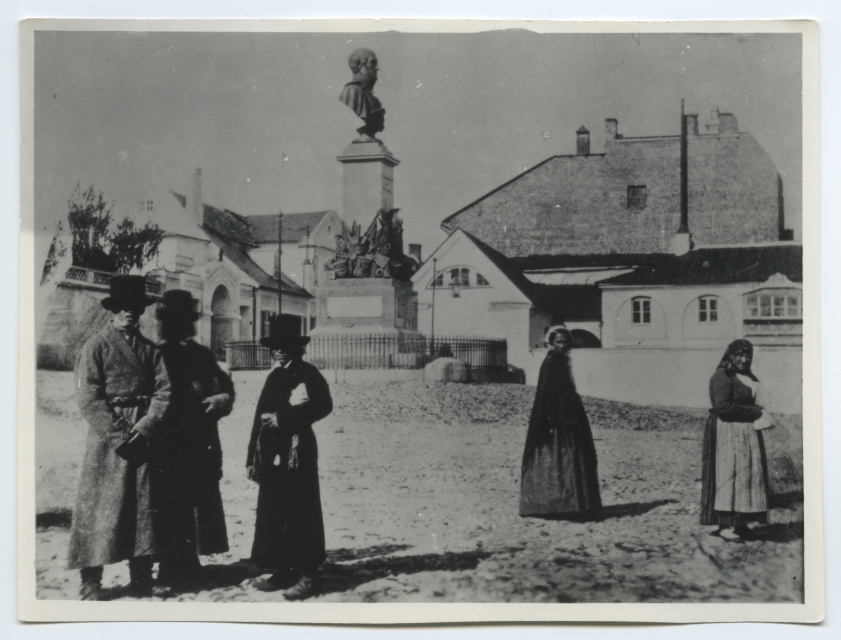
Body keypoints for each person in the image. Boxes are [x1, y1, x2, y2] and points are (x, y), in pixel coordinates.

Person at [68, 275, 171, 600]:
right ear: (114, 310)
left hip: (143, 435)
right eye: (124, 307)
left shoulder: (151, 350)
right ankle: (90, 582)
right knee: (100, 507)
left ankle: (141, 577)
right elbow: (88, 397)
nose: (130, 313)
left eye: (136, 308)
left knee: (143, 507)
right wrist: (120, 434)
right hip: (108, 440)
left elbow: (164, 390)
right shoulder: (95, 345)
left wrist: (146, 426)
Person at [246, 316, 333, 599]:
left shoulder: (307, 373)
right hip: (271, 452)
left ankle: (308, 574)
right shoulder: (274, 376)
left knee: (299, 509)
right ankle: (284, 570)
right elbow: (258, 419)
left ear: (298, 347)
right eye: (275, 346)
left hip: (297, 451)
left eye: (286, 346)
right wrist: (252, 457)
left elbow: (323, 405)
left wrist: (284, 418)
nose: (280, 350)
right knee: (275, 510)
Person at [155, 290, 235, 588]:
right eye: (174, 320)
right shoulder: (156, 353)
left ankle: (189, 563)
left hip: (200, 438)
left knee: (196, 501)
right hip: (167, 439)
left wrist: (221, 398)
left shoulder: (200, 353)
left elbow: (224, 383)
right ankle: (166, 567)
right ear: (165, 323)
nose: (180, 326)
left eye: (185, 320)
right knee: (167, 503)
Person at [520, 326, 602, 519]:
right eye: (559, 342)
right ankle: (554, 504)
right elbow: (546, 393)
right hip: (555, 419)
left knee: (571, 458)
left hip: (569, 415)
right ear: (551, 343)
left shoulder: (562, 361)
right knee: (558, 457)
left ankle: (572, 504)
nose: (563, 345)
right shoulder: (551, 362)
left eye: (565, 342)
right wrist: (550, 419)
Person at [700, 339, 773, 542]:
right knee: (727, 477)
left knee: (745, 477)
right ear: (731, 355)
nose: (743, 359)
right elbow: (722, 407)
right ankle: (724, 525)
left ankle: (741, 524)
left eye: (747, 355)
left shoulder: (749, 377)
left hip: (746, 433)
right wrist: (755, 412)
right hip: (725, 431)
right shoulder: (722, 376)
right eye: (739, 355)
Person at [338, 48, 385, 139]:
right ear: (359, 65)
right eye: (372, 63)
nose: (376, 68)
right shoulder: (351, 90)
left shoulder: (372, 98)